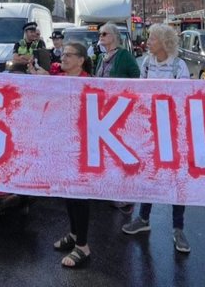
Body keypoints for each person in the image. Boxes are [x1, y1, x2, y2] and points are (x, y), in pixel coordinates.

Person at [120, 24, 192, 253]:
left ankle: (178, 228)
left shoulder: (179, 66)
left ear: (164, 42)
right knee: (149, 173)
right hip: (150, 128)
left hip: (173, 130)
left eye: (152, 38)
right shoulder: (147, 62)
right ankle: (143, 218)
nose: (148, 41)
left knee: (176, 177)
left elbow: (184, 97)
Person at [28, 42, 93, 268]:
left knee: (80, 195)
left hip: (82, 147)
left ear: (80, 60)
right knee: (68, 192)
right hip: (64, 145)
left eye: (68, 55)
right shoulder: (62, 79)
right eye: (62, 54)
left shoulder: (90, 83)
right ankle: (74, 234)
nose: (63, 58)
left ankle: (83, 245)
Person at [94, 22, 140, 213]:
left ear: (113, 36)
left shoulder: (124, 55)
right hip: (104, 111)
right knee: (107, 153)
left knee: (120, 151)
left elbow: (136, 77)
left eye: (104, 34)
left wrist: (122, 92)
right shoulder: (102, 57)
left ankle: (125, 195)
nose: (101, 37)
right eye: (100, 34)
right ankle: (110, 189)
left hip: (119, 111)